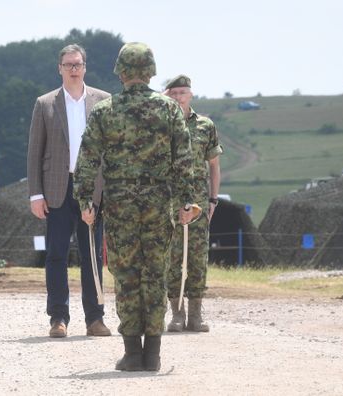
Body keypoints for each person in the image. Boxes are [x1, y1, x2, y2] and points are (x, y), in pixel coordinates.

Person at [74, 42, 196, 371]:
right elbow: (184, 159)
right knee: (155, 274)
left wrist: (85, 200)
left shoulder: (104, 111)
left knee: (127, 275)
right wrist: (188, 200)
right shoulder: (169, 109)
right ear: (150, 71)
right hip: (159, 203)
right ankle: (153, 353)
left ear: (121, 72)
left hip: (120, 205)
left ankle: (132, 352)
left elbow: (87, 160)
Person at [27, 44, 112, 338]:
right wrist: (35, 194)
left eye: (77, 64)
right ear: (59, 69)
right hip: (56, 189)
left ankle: (95, 319)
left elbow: (111, 151)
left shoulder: (104, 101)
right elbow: (34, 152)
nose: (73, 69)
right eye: (68, 65)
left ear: (85, 67)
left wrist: (108, 193)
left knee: (92, 255)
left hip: (93, 190)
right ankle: (58, 318)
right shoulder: (45, 103)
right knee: (56, 255)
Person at [164, 75, 223, 333]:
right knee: (173, 257)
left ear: (191, 95)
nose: (178, 97)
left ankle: (195, 314)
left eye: (182, 92)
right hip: (170, 201)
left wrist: (213, 199)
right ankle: (177, 313)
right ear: (167, 95)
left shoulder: (205, 126)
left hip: (198, 201)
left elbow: (214, 166)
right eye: (174, 92)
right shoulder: (161, 125)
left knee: (197, 256)